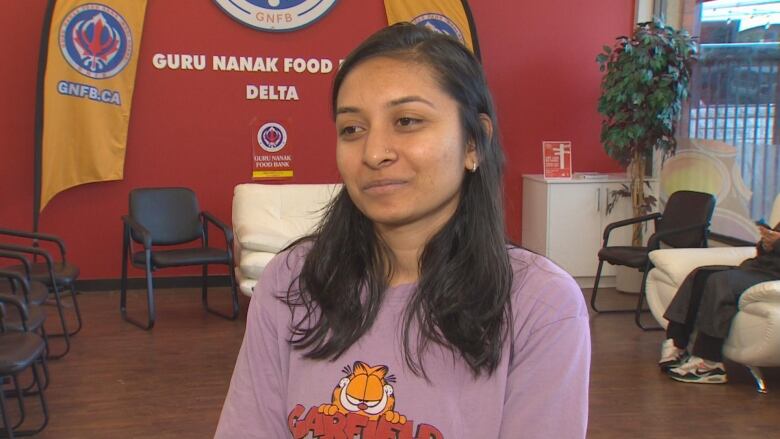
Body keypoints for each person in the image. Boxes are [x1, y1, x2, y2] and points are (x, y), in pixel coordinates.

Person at [215, 23, 590, 439]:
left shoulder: (542, 306)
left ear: (474, 143)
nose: (374, 153)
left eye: (407, 121)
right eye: (352, 129)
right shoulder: (292, 280)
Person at [659, 220, 780, 384]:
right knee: (701, 275)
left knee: (720, 282)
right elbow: (764, 252)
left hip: (773, 276)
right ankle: (677, 343)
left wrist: (777, 242)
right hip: (758, 268)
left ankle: (710, 363)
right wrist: (766, 244)